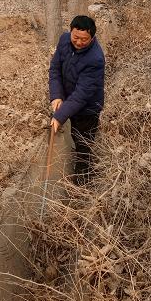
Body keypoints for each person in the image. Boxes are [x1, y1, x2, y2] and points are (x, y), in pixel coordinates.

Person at [49, 15, 105, 184]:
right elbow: (55, 70)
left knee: (83, 145)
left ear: (92, 37)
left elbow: (81, 95)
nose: (79, 42)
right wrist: (57, 95)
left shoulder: (95, 59)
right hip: (67, 100)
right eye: (76, 37)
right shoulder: (64, 40)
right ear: (70, 32)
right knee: (73, 136)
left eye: (84, 39)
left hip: (88, 108)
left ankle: (82, 183)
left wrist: (59, 116)